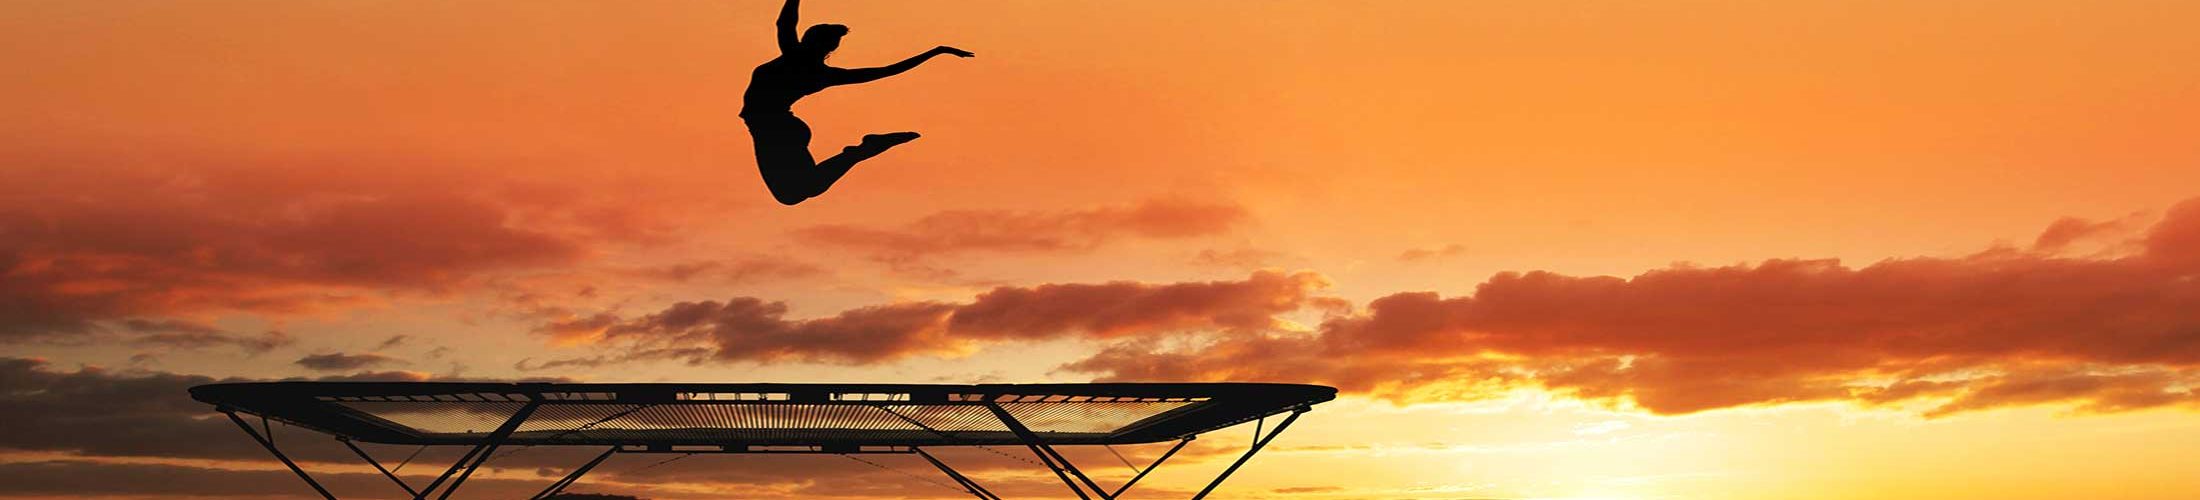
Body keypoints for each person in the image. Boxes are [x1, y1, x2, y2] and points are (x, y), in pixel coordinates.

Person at [742, 0, 973, 206]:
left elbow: (785, 23)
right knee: (803, 190)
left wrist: (935, 52)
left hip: (774, 128)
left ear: (807, 39)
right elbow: (887, 71)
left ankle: (865, 149)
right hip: (781, 127)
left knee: (794, 194)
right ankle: (866, 148)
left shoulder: (794, 57)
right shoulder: (822, 74)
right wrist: (936, 51)